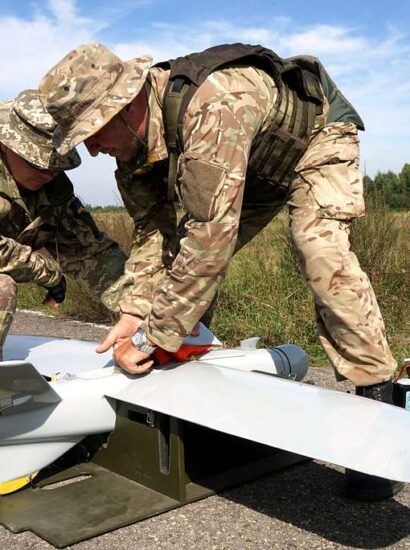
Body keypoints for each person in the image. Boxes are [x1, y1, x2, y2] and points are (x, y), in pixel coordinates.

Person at [39, 43, 401, 500]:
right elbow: (154, 233)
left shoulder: (212, 106)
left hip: (315, 140)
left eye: (93, 130)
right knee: (177, 265)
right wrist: (134, 312)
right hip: (252, 166)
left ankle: (377, 410)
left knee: (320, 250)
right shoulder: (132, 156)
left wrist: (155, 336)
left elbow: (210, 240)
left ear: (126, 104)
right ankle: (189, 381)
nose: (92, 148)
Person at [0, 88, 128, 356]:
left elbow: (93, 253)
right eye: (39, 163)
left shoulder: (53, 192)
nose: (50, 174)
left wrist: (143, 310)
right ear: (6, 145)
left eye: (57, 166)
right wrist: (47, 271)